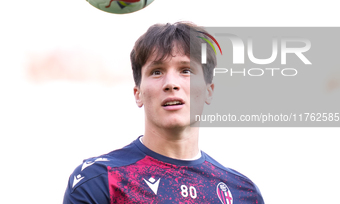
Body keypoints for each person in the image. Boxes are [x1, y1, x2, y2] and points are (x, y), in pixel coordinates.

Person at [63, 22, 265, 204]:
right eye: (157, 71)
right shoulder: (99, 180)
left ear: (208, 91)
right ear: (138, 93)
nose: (170, 84)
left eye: (186, 70)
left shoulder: (242, 193)